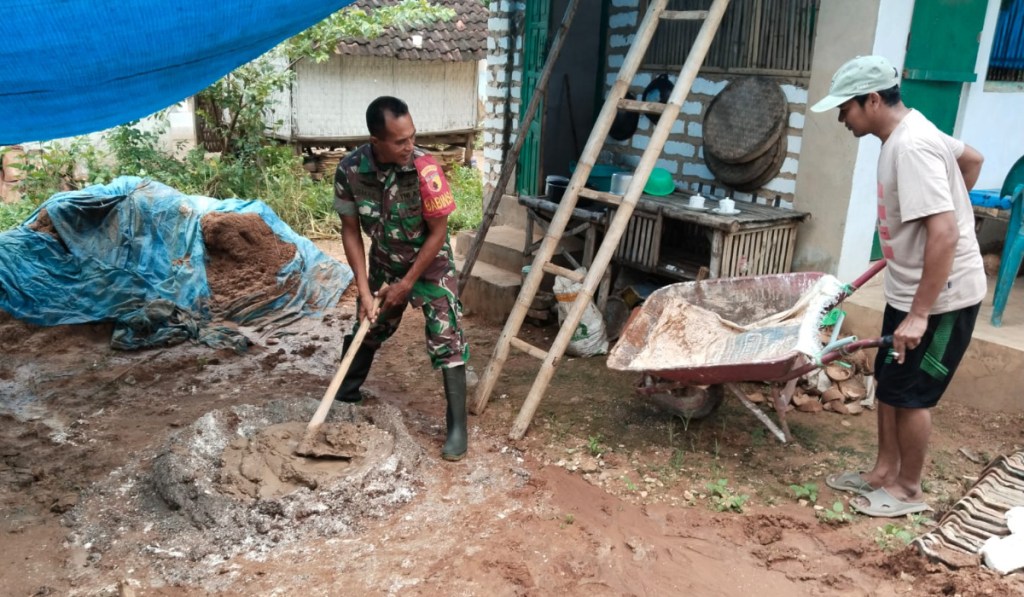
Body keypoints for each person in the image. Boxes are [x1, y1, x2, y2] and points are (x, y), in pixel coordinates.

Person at [810, 56, 986, 517]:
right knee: (889, 383)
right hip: (910, 290)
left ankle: (908, 490)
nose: (840, 118)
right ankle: (882, 474)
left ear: (872, 99)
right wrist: (917, 244)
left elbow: (945, 232)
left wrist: (922, 311)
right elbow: (971, 159)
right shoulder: (908, 132)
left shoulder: (912, 147)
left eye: (845, 108)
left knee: (911, 394)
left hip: (942, 300)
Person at [332, 96, 470, 461]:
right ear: (376, 141)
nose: (410, 145)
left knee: (446, 337)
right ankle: (345, 395)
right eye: (400, 140)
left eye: (412, 136)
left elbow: (439, 233)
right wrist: (363, 291)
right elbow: (350, 230)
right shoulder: (349, 171)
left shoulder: (426, 169)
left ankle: (457, 428)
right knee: (370, 324)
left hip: (430, 265)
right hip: (383, 263)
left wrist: (408, 283)